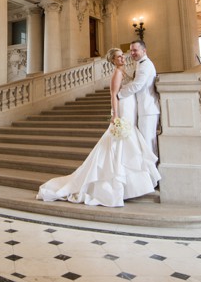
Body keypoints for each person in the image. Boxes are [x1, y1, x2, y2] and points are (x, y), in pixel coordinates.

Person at [37, 48, 160, 206]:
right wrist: (115, 115)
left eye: (123, 56)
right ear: (113, 60)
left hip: (130, 108)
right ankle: (116, 184)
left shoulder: (125, 70)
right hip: (122, 109)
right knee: (120, 144)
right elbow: (113, 95)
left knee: (128, 142)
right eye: (119, 57)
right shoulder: (116, 73)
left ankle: (130, 185)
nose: (122, 58)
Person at [117, 40, 161, 159]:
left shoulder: (146, 64)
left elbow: (137, 85)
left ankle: (151, 175)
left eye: (135, 50)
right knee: (145, 143)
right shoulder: (140, 64)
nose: (132, 53)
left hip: (148, 109)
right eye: (131, 50)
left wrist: (119, 94)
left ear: (144, 50)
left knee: (148, 144)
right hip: (144, 108)